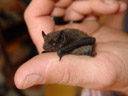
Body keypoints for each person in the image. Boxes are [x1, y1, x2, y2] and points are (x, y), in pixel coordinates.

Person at [14, 0, 128, 95]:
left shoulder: (68, 42)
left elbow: (90, 41)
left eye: (52, 44)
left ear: (62, 41)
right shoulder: (60, 39)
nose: (46, 46)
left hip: (81, 42)